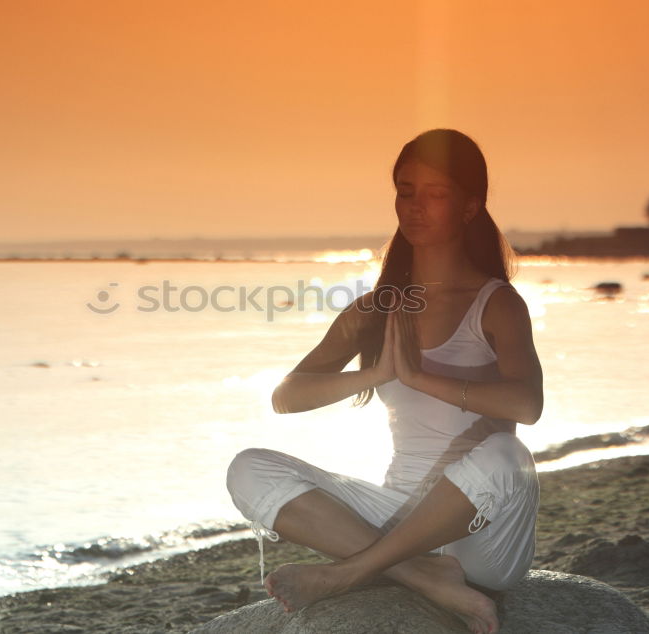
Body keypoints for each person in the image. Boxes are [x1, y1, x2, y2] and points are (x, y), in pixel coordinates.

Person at [224, 129, 543, 634]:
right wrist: (372, 375)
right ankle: (421, 575)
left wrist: (419, 377)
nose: (415, 207)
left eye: (435, 194)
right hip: (396, 517)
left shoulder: (497, 303)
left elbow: (526, 404)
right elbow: (287, 396)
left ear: (468, 206)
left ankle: (353, 571)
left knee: (507, 456)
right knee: (248, 469)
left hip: (479, 534)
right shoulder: (375, 309)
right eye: (405, 190)